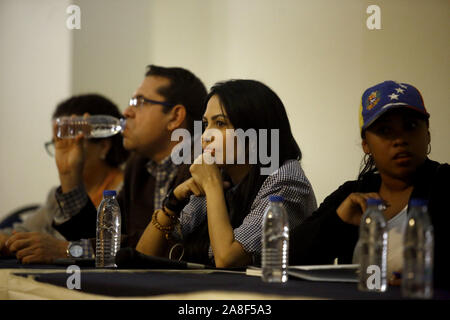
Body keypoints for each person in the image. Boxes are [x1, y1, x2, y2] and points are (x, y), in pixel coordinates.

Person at [136, 79, 317, 268]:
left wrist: (212, 187)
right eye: (206, 124)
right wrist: (174, 200)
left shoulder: (286, 181)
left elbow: (227, 259)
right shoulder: (223, 177)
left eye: (221, 123)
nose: (205, 135)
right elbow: (141, 257)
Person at [289, 80, 450, 289]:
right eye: (384, 130)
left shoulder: (446, 184)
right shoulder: (352, 193)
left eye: (410, 126)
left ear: (427, 134)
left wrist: (436, 279)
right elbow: (286, 259)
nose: (400, 139)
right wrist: (338, 220)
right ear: (366, 144)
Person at [51, 65, 207, 249]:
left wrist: (72, 251)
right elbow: (104, 237)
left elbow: (167, 244)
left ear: (175, 117)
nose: (126, 112)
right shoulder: (138, 166)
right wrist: (70, 176)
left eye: (140, 102)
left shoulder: (203, 164)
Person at [0, 94, 129, 263]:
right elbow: (16, 235)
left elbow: (122, 252)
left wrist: (64, 250)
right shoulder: (57, 197)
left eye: (72, 140)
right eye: (58, 142)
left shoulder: (129, 192)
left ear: (103, 146)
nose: (64, 150)